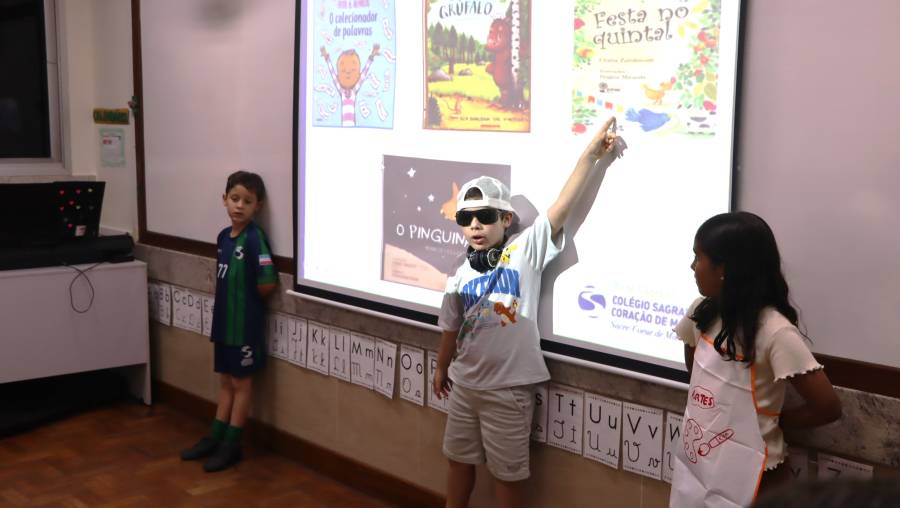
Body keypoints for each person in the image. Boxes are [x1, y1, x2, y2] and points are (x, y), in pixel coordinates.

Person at [433, 116, 623, 508]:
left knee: (508, 475)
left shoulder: (524, 250)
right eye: (466, 218)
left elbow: (562, 206)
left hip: (508, 389)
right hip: (465, 385)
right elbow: (451, 327)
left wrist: (591, 157)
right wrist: (441, 367)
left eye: (485, 216)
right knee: (457, 462)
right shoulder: (459, 271)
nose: (475, 225)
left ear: (505, 219)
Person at [669, 212, 842, 507]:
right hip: (702, 462)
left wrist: (774, 421)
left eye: (699, 257)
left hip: (758, 474)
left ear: (725, 268)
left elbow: (827, 406)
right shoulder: (702, 311)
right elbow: (694, 367)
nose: (693, 266)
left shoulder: (774, 330)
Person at [180, 170, 278, 472]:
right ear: (224, 200)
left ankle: (233, 444)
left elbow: (267, 282)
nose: (239, 205)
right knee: (225, 380)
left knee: (241, 383)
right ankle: (216, 436)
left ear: (257, 206)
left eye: (247, 201)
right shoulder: (224, 237)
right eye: (234, 199)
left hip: (244, 327)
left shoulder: (255, 239)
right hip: (222, 324)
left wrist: (246, 305)